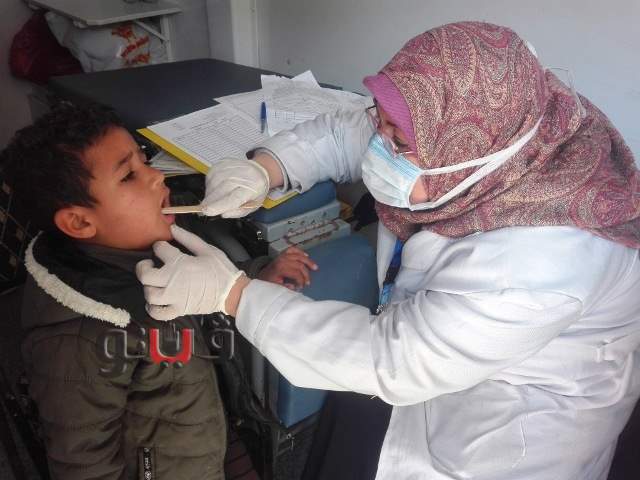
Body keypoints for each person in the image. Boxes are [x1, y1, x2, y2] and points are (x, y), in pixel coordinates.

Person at [137, 21, 640, 479]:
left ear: (465, 154)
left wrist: (234, 296)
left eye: (397, 141)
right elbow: (348, 131)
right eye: (384, 122)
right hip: (431, 349)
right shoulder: (495, 129)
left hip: (504, 429)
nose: (380, 144)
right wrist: (265, 167)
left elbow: (394, 360)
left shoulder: (542, 263)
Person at [0, 102, 316, 480]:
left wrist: (254, 275)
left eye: (144, 159)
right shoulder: (78, 342)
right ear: (80, 223)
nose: (155, 177)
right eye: (128, 175)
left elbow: (202, 286)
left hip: (208, 428)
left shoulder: (147, 242)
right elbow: (83, 464)